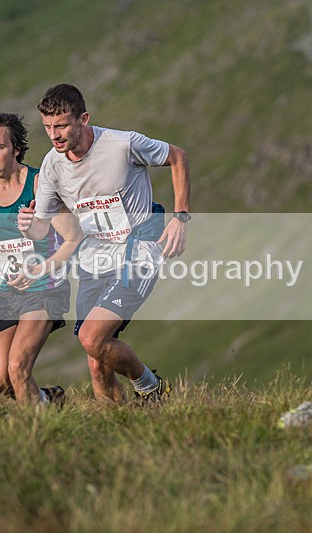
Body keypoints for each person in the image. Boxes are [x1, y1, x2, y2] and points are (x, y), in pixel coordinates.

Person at [17, 84, 191, 404]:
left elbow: (177, 157)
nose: (54, 135)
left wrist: (180, 218)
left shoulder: (122, 144)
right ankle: (118, 428)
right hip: (94, 259)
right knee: (96, 363)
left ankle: (152, 387)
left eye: (62, 125)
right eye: (48, 127)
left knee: (91, 337)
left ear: (83, 119)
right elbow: (42, 227)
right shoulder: (52, 166)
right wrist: (29, 226)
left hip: (137, 251)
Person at [0, 113, 82, 405]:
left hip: (43, 289)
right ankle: (47, 401)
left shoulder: (39, 185)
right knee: (0, 381)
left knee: (18, 367)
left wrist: (41, 270)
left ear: (15, 149)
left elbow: (74, 237)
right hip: (1, 292)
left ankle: (36, 436)